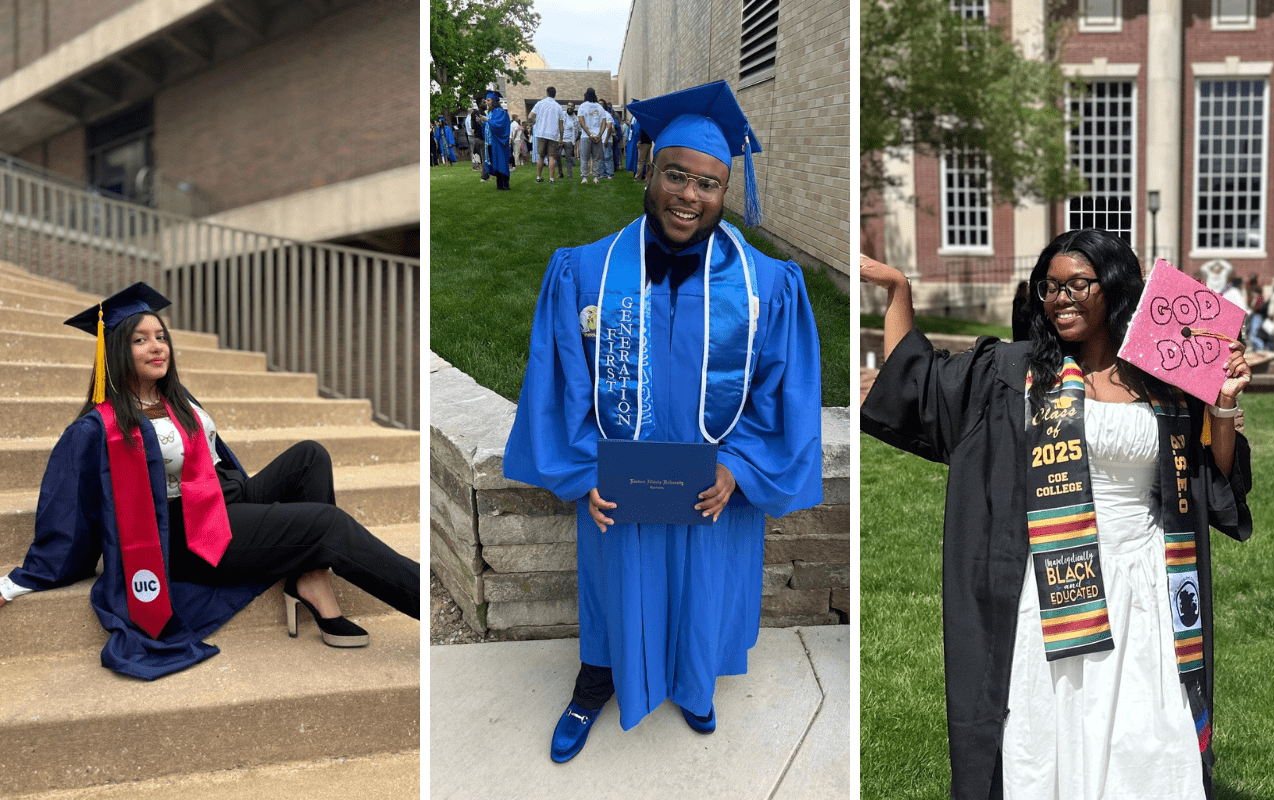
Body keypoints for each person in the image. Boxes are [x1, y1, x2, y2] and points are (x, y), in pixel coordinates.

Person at [860, 229, 1253, 800]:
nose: (1060, 297)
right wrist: (898, 290)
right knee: (1055, 723)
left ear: (1115, 289)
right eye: (1049, 287)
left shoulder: (1165, 378)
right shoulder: (1016, 372)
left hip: (1147, 579)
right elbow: (916, 386)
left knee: (1147, 735)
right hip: (1052, 577)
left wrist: (1223, 400)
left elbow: (1211, 476)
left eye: (1077, 285)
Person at [504, 80, 820, 763]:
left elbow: (778, 390)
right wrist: (585, 468)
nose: (690, 196)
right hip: (623, 483)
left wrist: (737, 467)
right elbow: (561, 383)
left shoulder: (767, 284)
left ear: (724, 190)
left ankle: (694, 679)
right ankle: (597, 681)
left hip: (714, 482)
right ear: (648, 169)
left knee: (705, 582)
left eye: (709, 184)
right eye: (677, 174)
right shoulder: (586, 271)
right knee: (617, 587)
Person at [0, 284, 421, 680]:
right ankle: (426, 598)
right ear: (113, 351)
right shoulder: (100, 429)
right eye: (139, 339)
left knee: (310, 456)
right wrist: (17, 582)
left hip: (221, 497)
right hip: (187, 533)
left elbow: (214, 459)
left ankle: (308, 579)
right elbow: (68, 510)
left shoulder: (178, 400)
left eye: (160, 336)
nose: (156, 345)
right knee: (327, 524)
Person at [530, 87, 564, 184]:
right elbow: (561, 125)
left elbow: (530, 116)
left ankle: (539, 177)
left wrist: (535, 122)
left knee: (541, 156)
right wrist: (561, 138)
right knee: (551, 157)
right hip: (553, 134)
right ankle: (551, 178)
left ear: (547, 93)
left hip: (541, 133)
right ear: (555, 94)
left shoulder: (540, 103)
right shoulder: (558, 107)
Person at [577, 88, 606, 185]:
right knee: (597, 158)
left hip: (585, 136)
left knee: (584, 158)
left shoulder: (582, 106)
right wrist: (600, 135)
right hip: (597, 137)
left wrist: (589, 134)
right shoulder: (600, 107)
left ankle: (584, 178)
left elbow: (581, 121)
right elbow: (604, 123)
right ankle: (596, 177)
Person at [484, 90, 511, 191]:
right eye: (486, 100)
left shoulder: (501, 112)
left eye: (489, 100)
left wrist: (487, 121)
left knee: (501, 162)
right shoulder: (490, 113)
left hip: (499, 142)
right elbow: (489, 126)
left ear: (494, 100)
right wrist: (483, 122)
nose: (487, 102)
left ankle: (505, 184)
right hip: (491, 143)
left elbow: (499, 125)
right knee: (495, 163)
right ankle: (499, 184)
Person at [560, 102, 578, 180]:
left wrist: (575, 139)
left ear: (574, 108)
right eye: (569, 106)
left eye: (572, 106)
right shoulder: (562, 115)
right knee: (557, 156)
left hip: (569, 141)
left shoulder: (576, 119)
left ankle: (569, 175)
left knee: (568, 158)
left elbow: (579, 130)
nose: (570, 107)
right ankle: (560, 173)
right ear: (567, 106)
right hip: (560, 139)